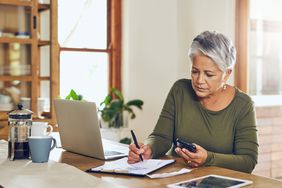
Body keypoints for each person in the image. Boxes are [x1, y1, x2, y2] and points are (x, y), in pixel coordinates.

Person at [127, 31, 258, 173]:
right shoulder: (180, 90)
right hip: (175, 178)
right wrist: (148, 149)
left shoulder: (243, 105)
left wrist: (208, 158)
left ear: (227, 74)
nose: (199, 80)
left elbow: (248, 161)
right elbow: (161, 137)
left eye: (209, 74)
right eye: (195, 71)